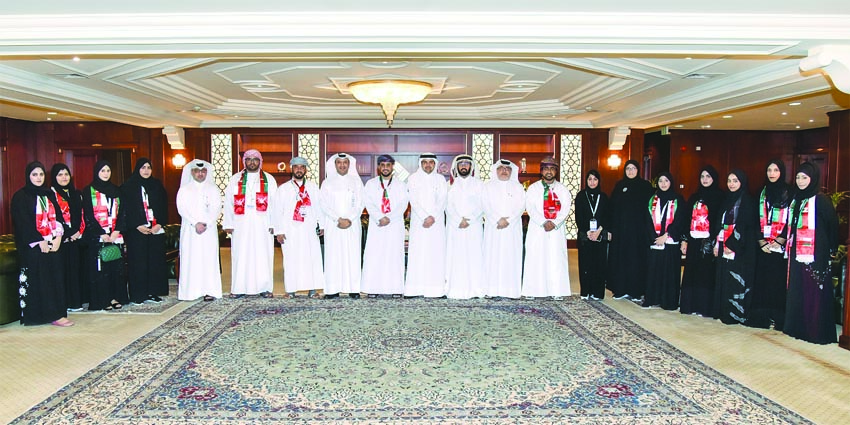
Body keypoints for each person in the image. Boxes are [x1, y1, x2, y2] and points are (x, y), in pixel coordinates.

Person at [781, 162, 838, 344]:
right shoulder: (796, 199)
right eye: (798, 177)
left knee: (813, 290)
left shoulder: (821, 200)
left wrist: (831, 249)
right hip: (796, 252)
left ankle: (814, 331)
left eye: (804, 177)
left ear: (812, 179)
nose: (800, 181)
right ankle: (797, 328)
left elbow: (833, 226)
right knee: (798, 289)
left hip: (816, 252)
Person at [12, 161, 72, 326]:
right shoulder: (21, 196)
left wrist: (58, 237)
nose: (38, 178)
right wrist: (39, 241)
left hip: (53, 244)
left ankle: (56, 313)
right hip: (34, 248)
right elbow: (23, 222)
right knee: (40, 280)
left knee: (55, 278)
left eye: (41, 174)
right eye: (34, 174)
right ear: (28, 176)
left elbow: (59, 217)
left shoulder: (49, 194)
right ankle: (42, 316)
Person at [223, 149, 277, 298]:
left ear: (260, 162)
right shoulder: (235, 179)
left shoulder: (269, 179)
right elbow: (228, 202)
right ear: (244, 161)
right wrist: (228, 223)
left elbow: (275, 203)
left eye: (255, 159)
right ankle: (239, 288)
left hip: (263, 222)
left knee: (263, 254)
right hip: (241, 222)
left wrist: (274, 224)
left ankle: (264, 287)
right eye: (249, 159)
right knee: (241, 254)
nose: (252, 162)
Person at [747, 159, 792, 330]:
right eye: (769, 170)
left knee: (778, 283)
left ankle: (778, 317)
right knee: (762, 282)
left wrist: (780, 240)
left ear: (781, 172)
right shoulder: (760, 192)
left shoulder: (790, 192)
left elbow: (792, 220)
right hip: (763, 247)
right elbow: (753, 219)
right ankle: (761, 317)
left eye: (775, 170)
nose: (772, 174)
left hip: (780, 247)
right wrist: (761, 241)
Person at [273, 156, 325, 299]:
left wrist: (322, 225)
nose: (299, 170)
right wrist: (279, 231)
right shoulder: (283, 189)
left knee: (312, 259)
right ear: (292, 169)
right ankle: (290, 290)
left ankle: (312, 290)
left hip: (309, 229)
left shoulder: (313, 188)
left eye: (302, 167)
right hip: (290, 230)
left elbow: (319, 208)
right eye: (296, 167)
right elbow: (277, 211)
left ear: (306, 169)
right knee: (291, 259)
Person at [521, 156, 571, 300]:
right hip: (538, 229)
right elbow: (530, 208)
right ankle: (533, 290)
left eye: (552, 169)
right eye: (546, 169)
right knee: (536, 258)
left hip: (556, 230)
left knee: (556, 259)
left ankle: (557, 291)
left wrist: (554, 222)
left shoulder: (562, 189)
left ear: (556, 171)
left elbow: (566, 208)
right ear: (541, 171)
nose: (549, 171)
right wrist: (544, 222)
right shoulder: (533, 188)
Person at [713, 169, 759, 325]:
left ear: (742, 182)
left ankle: (736, 314)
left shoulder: (747, 201)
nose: (731, 184)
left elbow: (745, 225)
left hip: (741, 249)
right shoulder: (727, 200)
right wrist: (718, 242)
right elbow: (720, 223)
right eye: (729, 181)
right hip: (725, 245)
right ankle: (724, 311)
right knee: (724, 278)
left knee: (736, 280)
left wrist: (732, 244)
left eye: (735, 181)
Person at [121, 158, 169, 304]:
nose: (146, 170)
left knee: (154, 262)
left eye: (149, 167)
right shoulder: (128, 187)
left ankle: (153, 292)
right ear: (137, 169)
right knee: (138, 263)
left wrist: (159, 224)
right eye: (143, 167)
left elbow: (163, 206)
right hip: (137, 232)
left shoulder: (157, 185)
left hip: (155, 230)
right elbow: (125, 210)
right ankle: (138, 295)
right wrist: (137, 225)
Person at [82, 160, 127, 311]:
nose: (106, 174)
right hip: (98, 237)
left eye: (108, 170)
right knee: (101, 270)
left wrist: (116, 231)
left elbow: (123, 213)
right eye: (103, 171)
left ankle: (115, 297)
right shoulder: (88, 190)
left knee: (116, 269)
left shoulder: (117, 190)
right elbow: (87, 214)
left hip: (115, 236)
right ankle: (102, 299)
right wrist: (101, 233)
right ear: (97, 172)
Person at [361, 154, 409, 298]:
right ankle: (373, 289)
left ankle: (395, 289)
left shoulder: (401, 185)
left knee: (394, 256)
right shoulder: (371, 184)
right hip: (377, 225)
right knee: (375, 255)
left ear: (392, 167)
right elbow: (368, 202)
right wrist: (379, 217)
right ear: (378, 167)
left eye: (388, 165)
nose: (385, 168)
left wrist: (390, 218)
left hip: (394, 225)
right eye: (383, 165)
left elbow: (403, 204)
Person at [680, 165, 724, 317]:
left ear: (714, 179)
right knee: (692, 271)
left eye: (708, 177)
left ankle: (704, 307)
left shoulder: (720, 196)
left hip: (709, 242)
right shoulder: (694, 196)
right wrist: (684, 240)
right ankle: (690, 305)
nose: (705, 180)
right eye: (702, 177)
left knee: (706, 274)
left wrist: (716, 241)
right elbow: (686, 219)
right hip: (694, 241)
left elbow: (720, 221)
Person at [176, 160, 223, 302]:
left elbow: (216, 209)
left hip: (208, 231)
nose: (200, 173)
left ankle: (210, 290)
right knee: (191, 258)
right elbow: (181, 209)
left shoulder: (213, 189)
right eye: (197, 171)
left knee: (208, 259)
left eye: (203, 171)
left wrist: (206, 223)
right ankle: (190, 292)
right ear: (192, 172)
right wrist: (195, 223)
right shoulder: (184, 189)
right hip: (190, 231)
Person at [320, 153, 364, 299]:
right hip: (334, 225)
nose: (342, 165)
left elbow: (360, 203)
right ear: (335, 164)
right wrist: (337, 219)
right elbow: (324, 204)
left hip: (352, 224)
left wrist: (349, 219)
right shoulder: (327, 182)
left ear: (349, 164)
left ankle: (353, 289)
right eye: (339, 163)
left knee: (353, 256)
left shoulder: (356, 182)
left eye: (345, 163)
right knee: (333, 256)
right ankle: (332, 289)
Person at [404, 153, 448, 298]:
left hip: (436, 224)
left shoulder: (440, 179)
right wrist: (425, 216)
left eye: (431, 162)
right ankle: (414, 289)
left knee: (435, 255)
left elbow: (442, 200)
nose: (428, 165)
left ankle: (436, 290)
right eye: (425, 162)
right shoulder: (413, 179)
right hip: (419, 223)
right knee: (418, 253)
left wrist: (432, 217)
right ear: (420, 164)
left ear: (435, 164)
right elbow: (413, 200)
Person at [608, 159, 653, 301]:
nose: (631, 171)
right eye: (628, 168)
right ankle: (620, 289)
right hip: (621, 232)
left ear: (638, 170)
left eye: (633, 168)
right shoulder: (619, 185)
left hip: (638, 233)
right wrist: (610, 229)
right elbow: (612, 209)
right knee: (621, 259)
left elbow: (650, 209)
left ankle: (636, 291)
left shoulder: (645, 186)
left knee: (636, 260)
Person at [643, 172, 687, 310]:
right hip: (655, 242)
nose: (663, 183)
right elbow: (647, 220)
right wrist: (655, 238)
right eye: (660, 181)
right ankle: (652, 298)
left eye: (666, 181)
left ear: (671, 182)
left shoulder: (678, 199)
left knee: (669, 273)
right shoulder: (652, 200)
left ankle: (668, 301)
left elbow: (680, 220)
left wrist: (666, 236)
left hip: (670, 242)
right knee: (654, 271)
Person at [482, 159, 526, 299]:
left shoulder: (518, 187)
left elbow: (521, 206)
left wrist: (508, 220)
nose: (504, 171)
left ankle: (510, 291)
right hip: (493, 227)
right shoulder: (488, 186)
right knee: (492, 257)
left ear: (512, 171)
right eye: (501, 168)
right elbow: (485, 205)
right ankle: (491, 290)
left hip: (512, 229)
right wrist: (497, 219)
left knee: (510, 258)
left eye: (507, 169)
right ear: (496, 170)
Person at [445, 155, 486, 300]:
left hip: (473, 227)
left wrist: (469, 219)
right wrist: (457, 220)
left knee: (474, 256)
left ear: (471, 166)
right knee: (454, 256)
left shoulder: (479, 185)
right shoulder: (449, 185)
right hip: (454, 227)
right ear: (456, 167)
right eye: (461, 163)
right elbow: (447, 206)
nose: (463, 166)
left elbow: (482, 205)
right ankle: (453, 288)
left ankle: (475, 289)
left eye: (466, 164)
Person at [50, 163, 86, 312]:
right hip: (62, 239)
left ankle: (77, 301)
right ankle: (66, 302)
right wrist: (67, 233)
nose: (64, 177)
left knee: (77, 269)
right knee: (63, 271)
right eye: (60, 174)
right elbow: (54, 216)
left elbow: (82, 214)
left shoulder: (76, 193)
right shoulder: (51, 194)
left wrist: (78, 232)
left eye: (66, 174)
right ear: (54, 177)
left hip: (77, 238)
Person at [574, 170, 611, 300]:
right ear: (586, 181)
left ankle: (597, 292)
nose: (592, 182)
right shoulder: (581, 196)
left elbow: (607, 217)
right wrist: (588, 232)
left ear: (598, 181)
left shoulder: (604, 197)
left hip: (599, 235)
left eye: (595, 179)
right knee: (585, 263)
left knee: (599, 264)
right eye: (590, 179)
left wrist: (599, 231)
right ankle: (586, 291)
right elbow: (578, 216)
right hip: (586, 235)